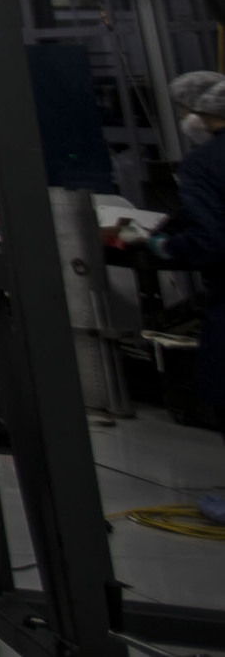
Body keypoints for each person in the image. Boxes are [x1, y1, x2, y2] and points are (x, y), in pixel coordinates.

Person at [116, 71, 225, 523]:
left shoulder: (206, 164)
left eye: (185, 110)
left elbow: (211, 239)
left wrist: (164, 246)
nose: (184, 118)